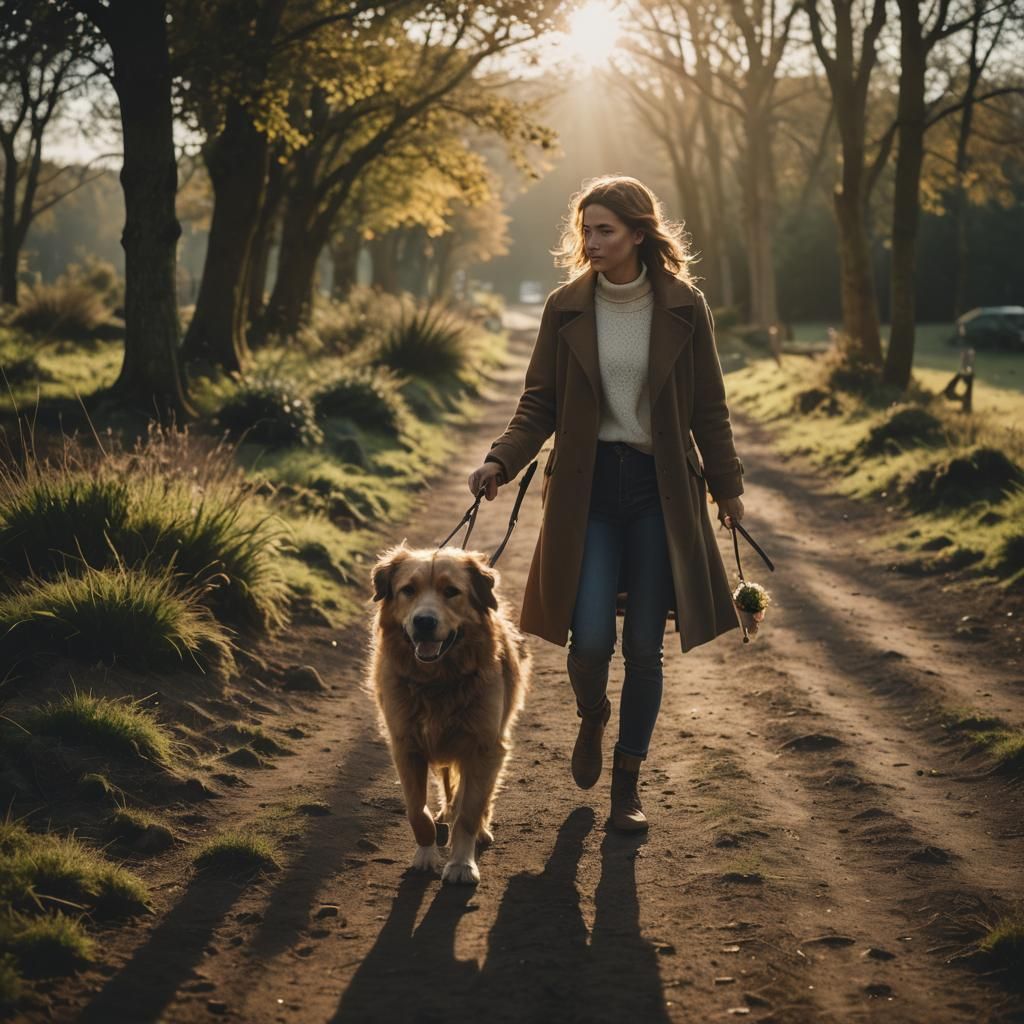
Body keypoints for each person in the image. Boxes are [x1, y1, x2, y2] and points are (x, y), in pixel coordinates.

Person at [467, 175, 746, 834]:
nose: (591, 242)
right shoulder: (566, 306)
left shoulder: (684, 306)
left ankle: (627, 783)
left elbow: (709, 408)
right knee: (589, 640)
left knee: (645, 647)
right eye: (585, 230)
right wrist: (500, 460)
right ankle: (593, 714)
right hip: (586, 492)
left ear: (638, 234)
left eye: (605, 230)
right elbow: (539, 402)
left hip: (659, 491)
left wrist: (728, 489)